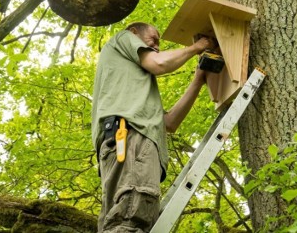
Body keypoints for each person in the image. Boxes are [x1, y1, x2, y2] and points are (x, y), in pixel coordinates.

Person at [91, 22, 216, 232]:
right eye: (153, 39)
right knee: (130, 220)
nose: (157, 47)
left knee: (119, 222)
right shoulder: (123, 38)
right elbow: (158, 64)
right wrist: (198, 46)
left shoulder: (134, 91)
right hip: (130, 139)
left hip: (127, 143)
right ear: (134, 33)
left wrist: (198, 81)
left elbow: (169, 123)